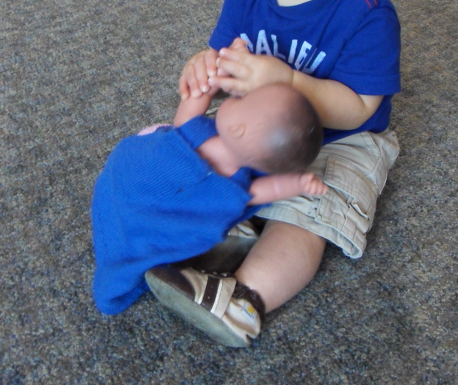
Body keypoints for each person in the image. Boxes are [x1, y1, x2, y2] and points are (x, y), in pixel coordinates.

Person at [145, 0, 402, 348]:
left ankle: (245, 297)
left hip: (342, 140)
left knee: (307, 208)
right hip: (260, 127)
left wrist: (286, 81)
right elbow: (224, 60)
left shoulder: (368, 12)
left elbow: (360, 107)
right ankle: (219, 226)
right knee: (203, 151)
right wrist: (205, 69)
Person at [91, 78, 326, 315]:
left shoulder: (199, 133)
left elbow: (189, 108)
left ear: (237, 129)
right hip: (149, 178)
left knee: (145, 223)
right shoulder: (239, 185)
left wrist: (204, 88)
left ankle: (119, 266)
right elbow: (272, 189)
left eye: (240, 99)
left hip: (137, 189)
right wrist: (298, 183)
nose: (234, 96)